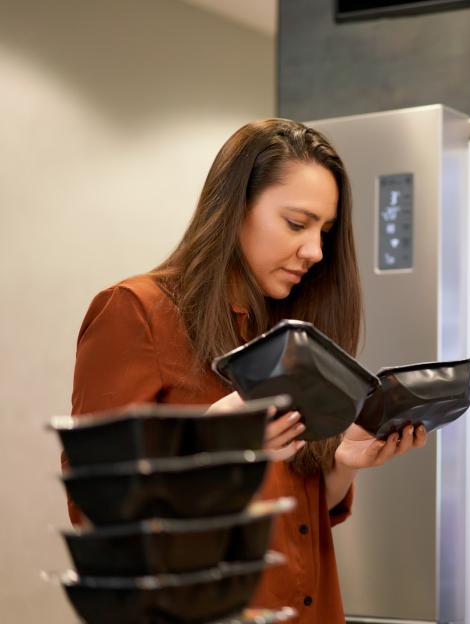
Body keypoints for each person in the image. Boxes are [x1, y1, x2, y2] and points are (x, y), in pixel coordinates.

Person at [67, 118, 427, 622]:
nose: (316, 252)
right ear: (234, 207)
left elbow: (300, 517)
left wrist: (343, 463)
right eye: (297, 224)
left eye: (324, 231)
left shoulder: (291, 333)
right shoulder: (136, 312)